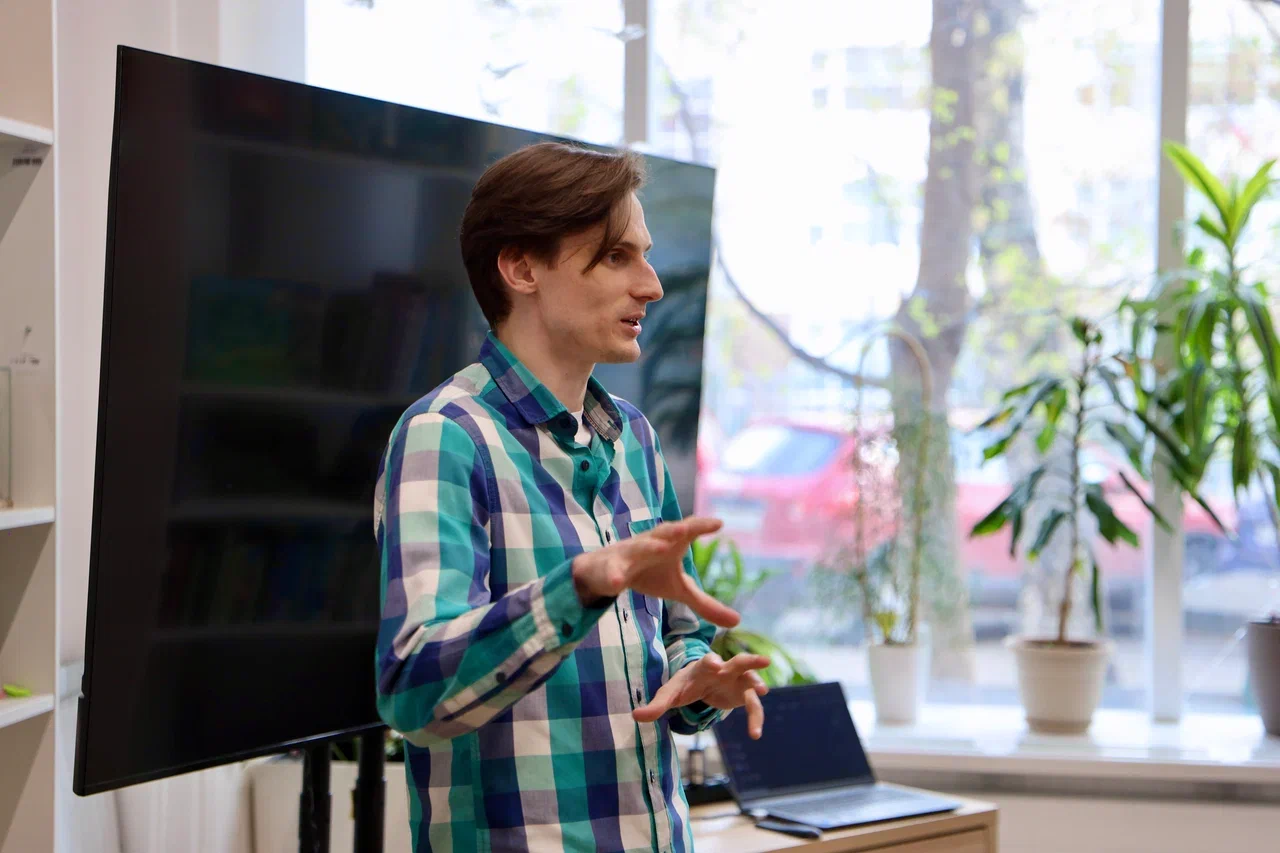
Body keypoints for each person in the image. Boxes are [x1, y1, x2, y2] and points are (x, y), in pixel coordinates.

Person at [373, 141, 771, 853]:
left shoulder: (636, 438)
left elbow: (677, 632)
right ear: (522, 268)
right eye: (617, 256)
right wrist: (583, 584)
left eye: (645, 257)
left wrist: (696, 678)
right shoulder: (447, 437)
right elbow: (414, 692)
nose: (652, 286)